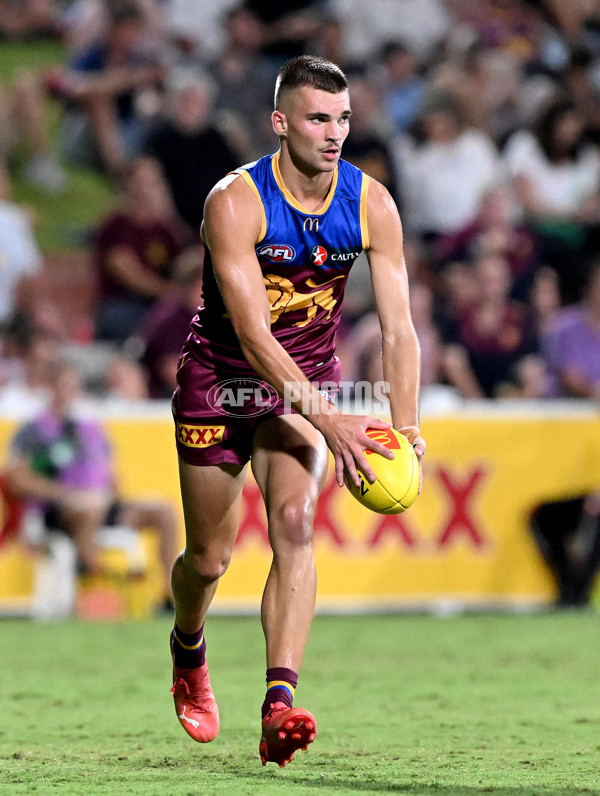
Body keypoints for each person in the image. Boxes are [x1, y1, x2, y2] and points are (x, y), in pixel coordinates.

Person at [168, 56, 425, 767]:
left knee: (295, 521)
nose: (335, 132)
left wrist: (405, 426)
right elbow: (251, 336)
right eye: (318, 118)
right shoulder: (235, 201)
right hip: (222, 385)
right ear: (281, 122)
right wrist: (336, 419)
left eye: (343, 118)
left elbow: (400, 329)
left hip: (305, 385)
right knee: (209, 559)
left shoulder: (371, 202)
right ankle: (188, 644)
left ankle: (279, 705)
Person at [3, 359, 179, 609]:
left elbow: (112, 474)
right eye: (64, 387)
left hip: (101, 503)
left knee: (164, 512)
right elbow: (18, 480)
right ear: (50, 388)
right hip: (59, 510)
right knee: (89, 509)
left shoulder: (90, 428)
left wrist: (110, 492)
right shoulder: (33, 431)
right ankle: (96, 584)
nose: (70, 394)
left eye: (74, 387)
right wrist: (67, 493)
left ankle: (168, 596)